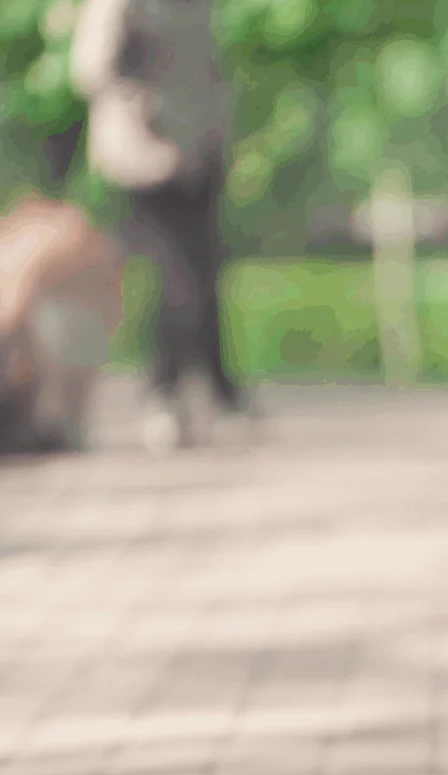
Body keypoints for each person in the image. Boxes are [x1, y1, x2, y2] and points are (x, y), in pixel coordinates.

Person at [69, 0, 249, 451]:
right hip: (144, 156)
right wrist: (143, 113)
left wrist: (216, 131)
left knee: (206, 275)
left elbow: (207, 68)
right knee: (177, 278)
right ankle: (163, 395)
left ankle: (218, 392)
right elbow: (91, 66)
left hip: (198, 153)